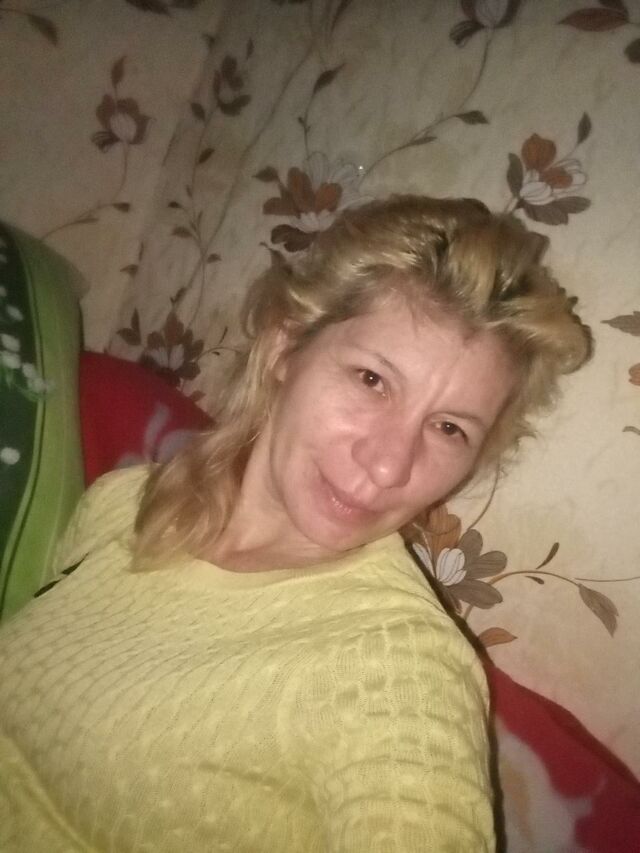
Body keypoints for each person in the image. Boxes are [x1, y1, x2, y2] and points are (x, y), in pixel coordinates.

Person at [0, 195, 590, 852]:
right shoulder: (127, 502)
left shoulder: (395, 663)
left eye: (449, 428)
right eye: (372, 379)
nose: (389, 464)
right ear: (285, 348)